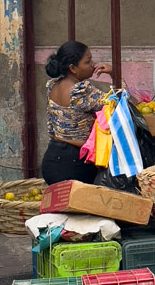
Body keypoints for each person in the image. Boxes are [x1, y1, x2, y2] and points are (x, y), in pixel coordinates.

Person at [42, 41, 111, 185]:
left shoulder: (53, 85)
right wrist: (115, 74)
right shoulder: (79, 92)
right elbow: (116, 104)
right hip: (73, 163)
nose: (93, 64)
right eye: (87, 61)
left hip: (52, 157)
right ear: (72, 68)